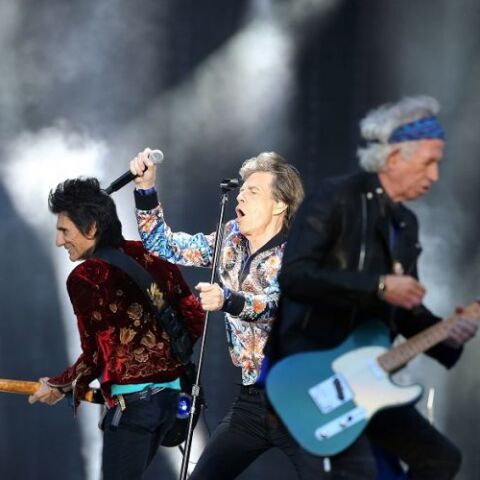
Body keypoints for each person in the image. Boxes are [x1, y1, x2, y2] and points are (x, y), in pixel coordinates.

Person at [267, 95, 479, 479]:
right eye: (429, 163)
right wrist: (378, 286)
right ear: (395, 157)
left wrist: (450, 334)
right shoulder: (336, 197)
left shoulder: (406, 225)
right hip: (314, 370)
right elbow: (295, 276)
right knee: (361, 472)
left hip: (368, 377)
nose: (434, 176)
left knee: (441, 459)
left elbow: (405, 313)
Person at [130, 150, 361, 478]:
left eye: (253, 192)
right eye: (241, 191)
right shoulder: (230, 240)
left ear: (279, 204)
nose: (241, 197)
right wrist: (146, 189)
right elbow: (162, 245)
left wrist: (228, 300)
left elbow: (277, 306)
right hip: (253, 402)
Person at [28, 177, 205, 480]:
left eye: (64, 231)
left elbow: (94, 357)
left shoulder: (87, 277)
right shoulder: (151, 255)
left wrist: (57, 385)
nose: (59, 241)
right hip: (174, 402)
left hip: (134, 409)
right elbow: (194, 318)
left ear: (91, 228)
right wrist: (161, 361)